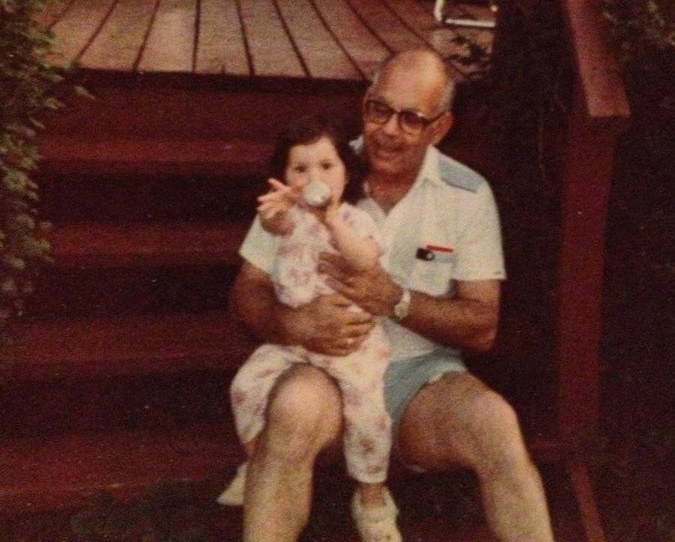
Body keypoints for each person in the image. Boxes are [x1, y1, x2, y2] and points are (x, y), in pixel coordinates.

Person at [230, 48, 556, 542]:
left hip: (417, 381)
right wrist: (292, 325)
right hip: (322, 372)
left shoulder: (466, 194)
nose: (388, 130)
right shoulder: (320, 169)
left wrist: (395, 300)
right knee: (294, 406)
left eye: (411, 118)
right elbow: (247, 290)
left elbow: (482, 326)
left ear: (439, 128)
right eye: (380, 110)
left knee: (497, 424)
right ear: (365, 104)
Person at [219, 114, 402, 542]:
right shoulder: (286, 219)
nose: (313, 177)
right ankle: (256, 460)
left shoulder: (356, 220)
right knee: (244, 386)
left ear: (345, 172)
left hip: (349, 347)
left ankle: (372, 496)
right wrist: (275, 213)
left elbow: (362, 260)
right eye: (299, 169)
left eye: (326, 166)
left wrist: (330, 218)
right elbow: (275, 227)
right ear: (283, 177)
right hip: (294, 343)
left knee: (368, 416)